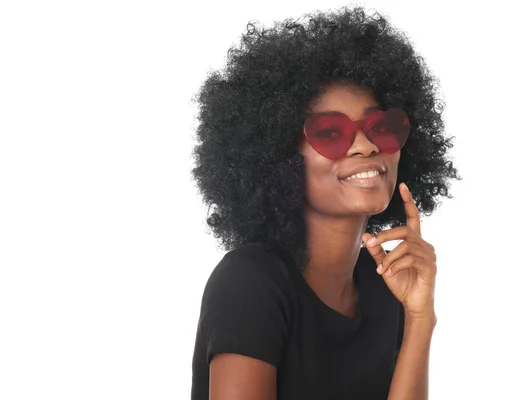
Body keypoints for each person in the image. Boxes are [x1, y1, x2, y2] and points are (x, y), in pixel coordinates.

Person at [190, 6, 460, 400]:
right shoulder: (251, 283)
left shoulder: (385, 287)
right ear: (280, 158)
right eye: (332, 132)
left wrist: (419, 319)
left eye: (379, 128)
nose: (366, 147)